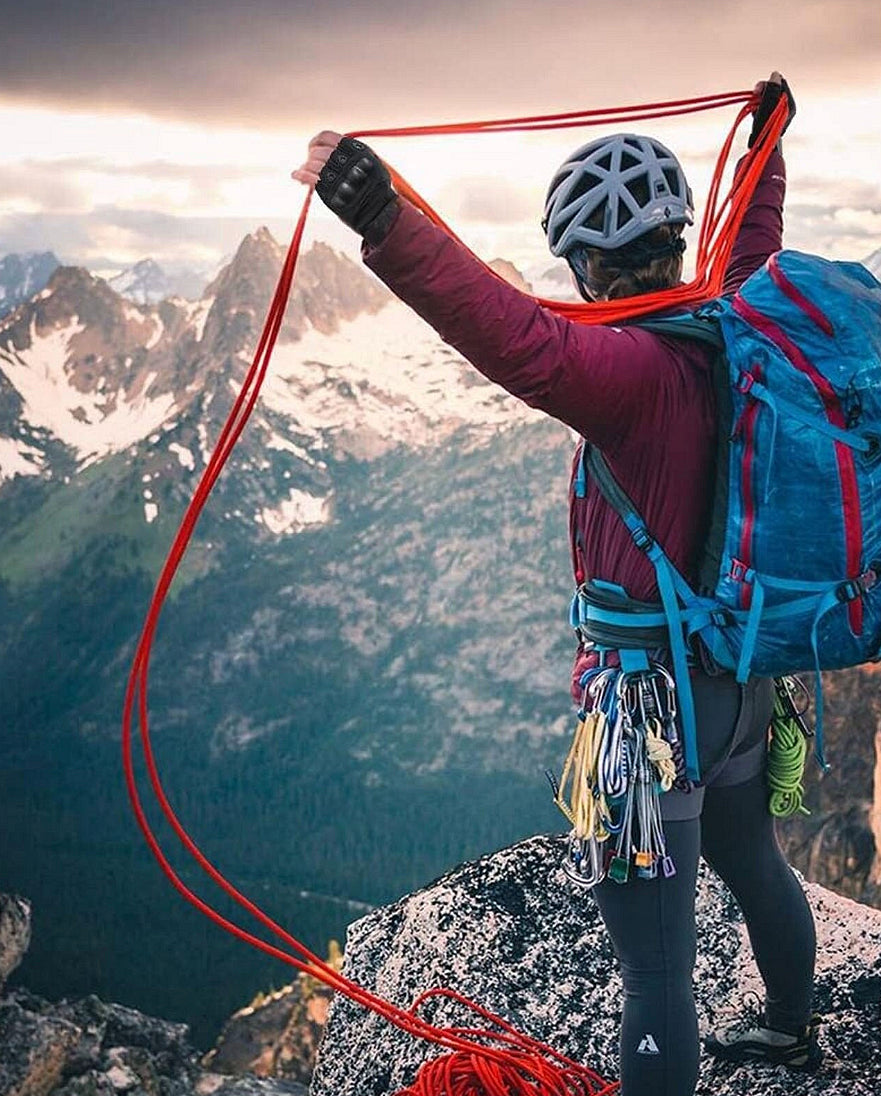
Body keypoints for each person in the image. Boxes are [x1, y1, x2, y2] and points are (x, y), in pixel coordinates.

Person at [293, 72, 820, 1093]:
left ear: (585, 265)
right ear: (675, 243)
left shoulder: (628, 376)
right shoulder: (737, 320)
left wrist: (386, 220)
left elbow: (513, 335)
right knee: (756, 862)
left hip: (652, 712)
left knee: (655, 970)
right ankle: (792, 1032)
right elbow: (755, 242)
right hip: (743, 678)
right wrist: (765, 154)